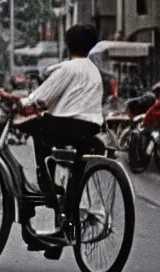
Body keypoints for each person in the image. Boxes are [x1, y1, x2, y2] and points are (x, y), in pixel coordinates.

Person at [16, 24, 104, 195]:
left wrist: (20, 103)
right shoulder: (94, 71)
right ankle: (69, 203)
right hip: (91, 128)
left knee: (35, 125)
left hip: (67, 127)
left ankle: (44, 174)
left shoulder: (67, 68)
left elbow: (41, 98)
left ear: (68, 45)